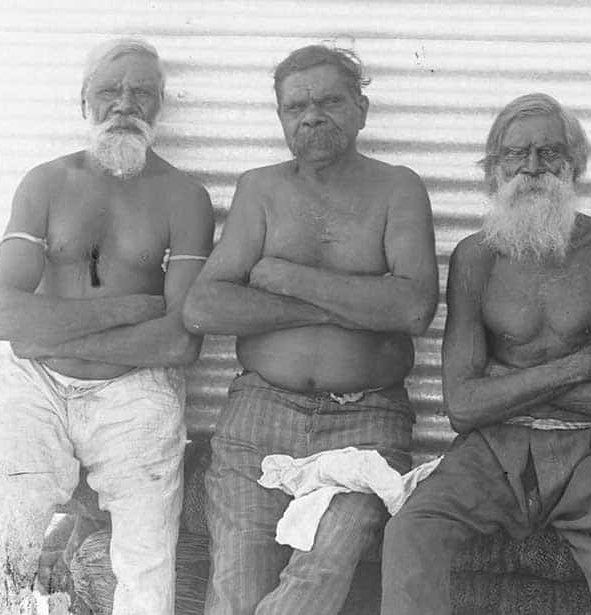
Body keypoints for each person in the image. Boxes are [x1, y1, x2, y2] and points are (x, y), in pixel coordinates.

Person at [380, 93, 591, 615]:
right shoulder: (475, 257)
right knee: (410, 531)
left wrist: (505, 386)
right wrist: (577, 366)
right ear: (494, 170)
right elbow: (463, 406)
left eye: (549, 153)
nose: (532, 168)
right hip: (492, 449)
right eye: (515, 155)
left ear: (574, 164)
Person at [181, 44, 438, 615]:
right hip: (258, 415)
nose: (312, 116)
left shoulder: (398, 188)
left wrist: (285, 276)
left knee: (322, 569)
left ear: (361, 109)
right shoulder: (260, 189)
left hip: (366, 420)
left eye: (329, 101)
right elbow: (203, 307)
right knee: (236, 580)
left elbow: (413, 309)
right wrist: (341, 306)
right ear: (280, 118)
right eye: (295, 106)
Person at [0, 38, 215, 615]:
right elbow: (6, 318)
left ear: (160, 105)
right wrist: (129, 307)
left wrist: (51, 328)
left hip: (136, 388)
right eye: (109, 90)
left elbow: (179, 341)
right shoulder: (45, 183)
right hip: (36, 383)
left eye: (142, 92)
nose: (124, 103)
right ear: (83, 102)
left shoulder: (185, 197)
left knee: (146, 554)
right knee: (9, 536)